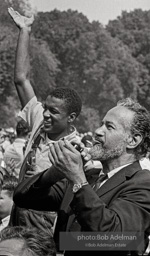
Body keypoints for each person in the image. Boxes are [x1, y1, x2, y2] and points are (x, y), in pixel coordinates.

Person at [13, 97, 150, 256]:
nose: (98, 131)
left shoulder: (143, 183)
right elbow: (22, 196)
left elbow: (115, 238)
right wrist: (56, 171)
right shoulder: (89, 177)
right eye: (101, 124)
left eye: (109, 127)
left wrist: (78, 180)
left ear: (133, 140)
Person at [8, 7, 82, 235]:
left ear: (71, 118)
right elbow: (21, 79)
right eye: (46, 108)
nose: (46, 114)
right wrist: (25, 31)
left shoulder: (75, 149)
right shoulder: (41, 120)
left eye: (54, 112)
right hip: (18, 209)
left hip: (45, 220)